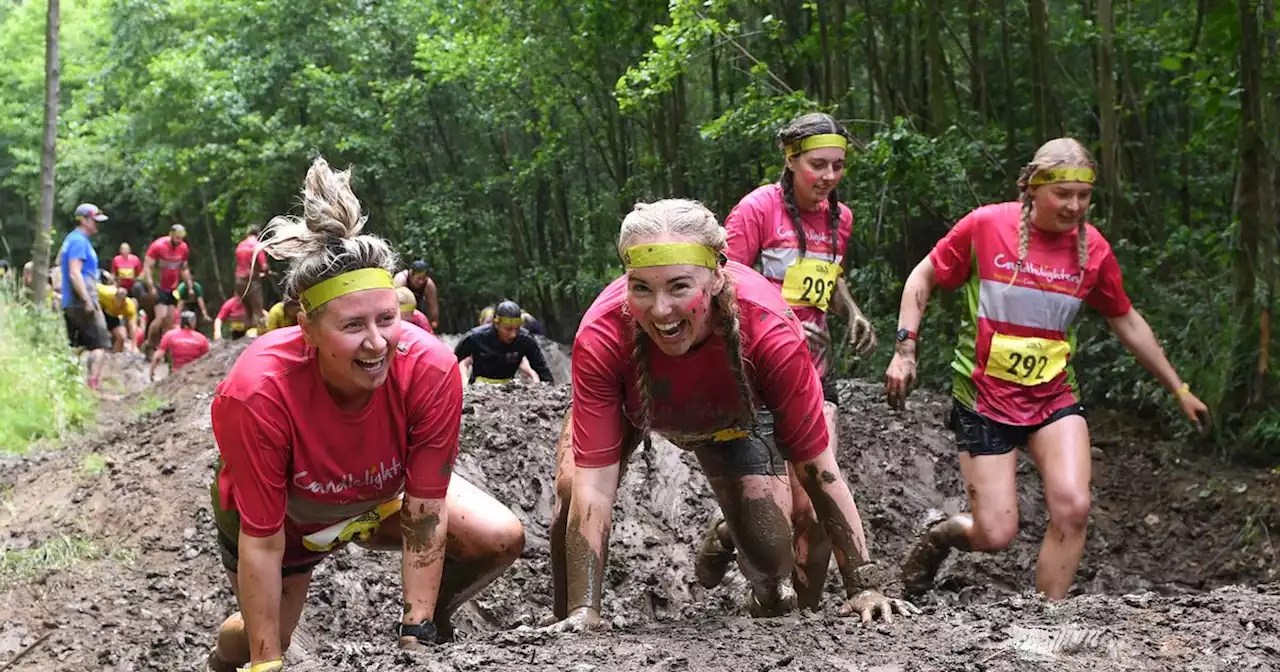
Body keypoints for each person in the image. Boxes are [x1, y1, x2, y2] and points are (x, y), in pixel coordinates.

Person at [205, 157, 524, 672]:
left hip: (377, 497)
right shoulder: (257, 392)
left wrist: (415, 637)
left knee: (499, 537)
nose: (378, 343)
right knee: (262, 644)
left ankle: (432, 620)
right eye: (353, 326)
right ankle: (224, 662)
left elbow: (425, 510)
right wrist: (266, 663)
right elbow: (261, 543)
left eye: (388, 319)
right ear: (305, 328)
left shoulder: (430, 368)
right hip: (284, 521)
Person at [547, 199, 916, 633]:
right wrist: (584, 613)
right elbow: (595, 485)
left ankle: (728, 538)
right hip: (635, 404)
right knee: (573, 486)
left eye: (680, 287)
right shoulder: (603, 332)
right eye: (641, 288)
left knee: (771, 559)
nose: (660, 309)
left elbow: (819, 471)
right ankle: (565, 619)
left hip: (732, 415)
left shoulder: (770, 331)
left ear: (717, 277)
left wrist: (863, 585)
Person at [885, 138, 1211, 602]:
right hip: (985, 400)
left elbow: (1127, 320)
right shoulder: (985, 227)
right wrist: (905, 349)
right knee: (995, 534)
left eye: (1084, 196)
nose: (1075, 206)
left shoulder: (1092, 249)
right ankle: (940, 538)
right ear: (1033, 188)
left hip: (1052, 397)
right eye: (1064, 195)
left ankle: (1046, 621)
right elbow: (923, 276)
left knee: (1074, 507)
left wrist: (1178, 388)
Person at [722, 113, 878, 604]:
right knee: (785, 505)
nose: (829, 178)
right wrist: (781, 321)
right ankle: (729, 532)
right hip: (760, 370)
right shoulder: (755, 211)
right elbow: (720, 288)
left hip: (816, 371)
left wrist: (851, 312)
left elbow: (824, 279)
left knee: (814, 503)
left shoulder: (841, 217)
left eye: (838, 166)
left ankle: (807, 618)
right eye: (818, 166)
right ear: (790, 160)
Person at [58, 203, 111, 389]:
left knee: (75, 347)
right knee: (100, 345)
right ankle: (92, 388)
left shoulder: (70, 240)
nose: (97, 225)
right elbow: (74, 273)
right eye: (94, 220)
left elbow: (59, 264)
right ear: (84, 220)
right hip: (81, 301)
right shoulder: (79, 241)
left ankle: (70, 386)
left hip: (70, 301)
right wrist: (88, 300)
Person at [454, 300, 552, 385]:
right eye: (508, 329)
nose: (513, 334)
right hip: (479, 386)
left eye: (517, 329)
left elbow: (542, 371)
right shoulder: (475, 337)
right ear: (496, 324)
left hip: (510, 387)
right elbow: (453, 362)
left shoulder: (525, 338)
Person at [143, 223, 191, 347]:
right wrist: (150, 286)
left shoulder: (183, 248)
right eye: (176, 238)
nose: (178, 241)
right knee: (160, 317)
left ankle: (165, 348)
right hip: (159, 285)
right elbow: (147, 266)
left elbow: (184, 268)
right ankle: (149, 343)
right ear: (171, 235)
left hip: (172, 287)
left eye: (181, 238)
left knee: (170, 321)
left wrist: (189, 286)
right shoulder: (158, 246)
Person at [151, 310, 210, 379]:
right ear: (193, 322)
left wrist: (152, 371)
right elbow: (207, 358)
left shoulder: (170, 335)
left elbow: (158, 356)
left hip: (176, 375)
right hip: (195, 374)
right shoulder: (202, 338)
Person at [233, 224, 270, 331]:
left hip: (239, 282)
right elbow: (264, 266)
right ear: (258, 234)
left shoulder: (240, 245)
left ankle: (246, 338)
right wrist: (266, 272)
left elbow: (241, 264)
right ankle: (261, 338)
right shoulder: (257, 246)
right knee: (258, 311)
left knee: (247, 312)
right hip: (252, 282)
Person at [393, 259, 439, 330]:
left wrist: (433, 324)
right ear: (411, 273)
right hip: (400, 310)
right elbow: (392, 303)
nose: (421, 282)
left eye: (424, 278)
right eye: (419, 278)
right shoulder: (400, 279)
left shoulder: (429, 284)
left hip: (417, 308)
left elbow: (433, 307)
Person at [97, 281, 140, 353]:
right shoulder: (106, 292)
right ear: (114, 296)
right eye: (116, 301)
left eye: (121, 303)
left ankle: (115, 355)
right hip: (100, 311)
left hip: (114, 317)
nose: (118, 305)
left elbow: (132, 325)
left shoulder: (129, 306)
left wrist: (134, 346)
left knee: (122, 336)